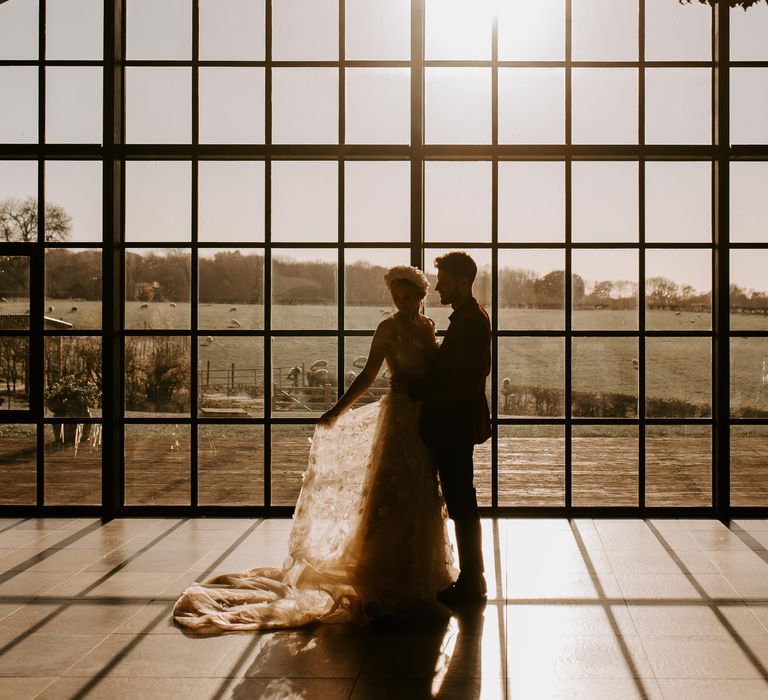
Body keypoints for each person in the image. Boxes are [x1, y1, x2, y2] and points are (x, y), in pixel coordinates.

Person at [173, 266, 456, 633]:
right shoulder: (388, 328)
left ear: (421, 296)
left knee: (420, 492)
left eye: (407, 296)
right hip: (399, 417)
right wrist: (337, 410)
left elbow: (436, 373)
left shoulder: (428, 327)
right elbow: (369, 374)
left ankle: (416, 571)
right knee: (389, 488)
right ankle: (382, 569)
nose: (400, 302)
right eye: (395, 296)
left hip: (423, 418)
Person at [394, 251, 490, 605]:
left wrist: (414, 387)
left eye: (444, 281)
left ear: (462, 282)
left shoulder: (472, 322)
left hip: (455, 423)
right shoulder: (468, 317)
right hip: (455, 421)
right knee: (461, 497)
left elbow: (462, 383)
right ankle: (472, 577)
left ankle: (472, 579)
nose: (438, 288)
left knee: (462, 500)